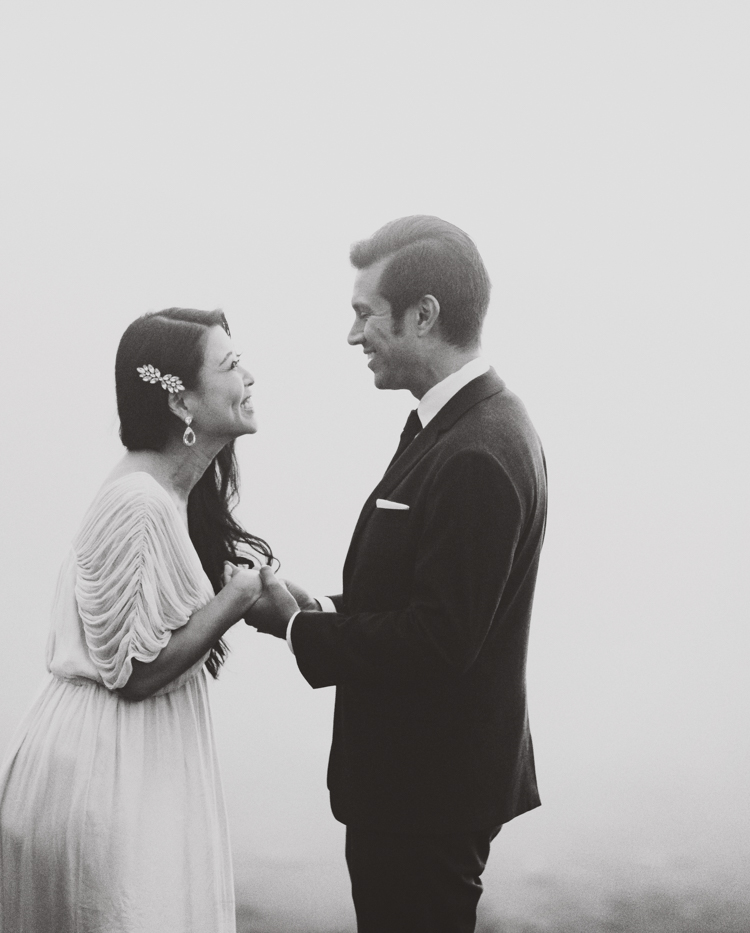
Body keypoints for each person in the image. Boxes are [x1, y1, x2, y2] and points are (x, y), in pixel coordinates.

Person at [245, 216, 547, 933]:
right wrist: (317, 604)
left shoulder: (478, 448)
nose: (353, 336)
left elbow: (440, 639)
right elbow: (422, 595)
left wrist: (299, 629)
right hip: (418, 789)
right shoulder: (458, 425)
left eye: (362, 314)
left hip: (426, 797)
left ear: (423, 315)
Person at [0, 307, 270, 933]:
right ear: (181, 403)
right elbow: (133, 672)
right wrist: (234, 602)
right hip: (102, 778)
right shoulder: (138, 501)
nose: (250, 375)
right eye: (229, 365)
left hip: (134, 767)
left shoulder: (172, 494)